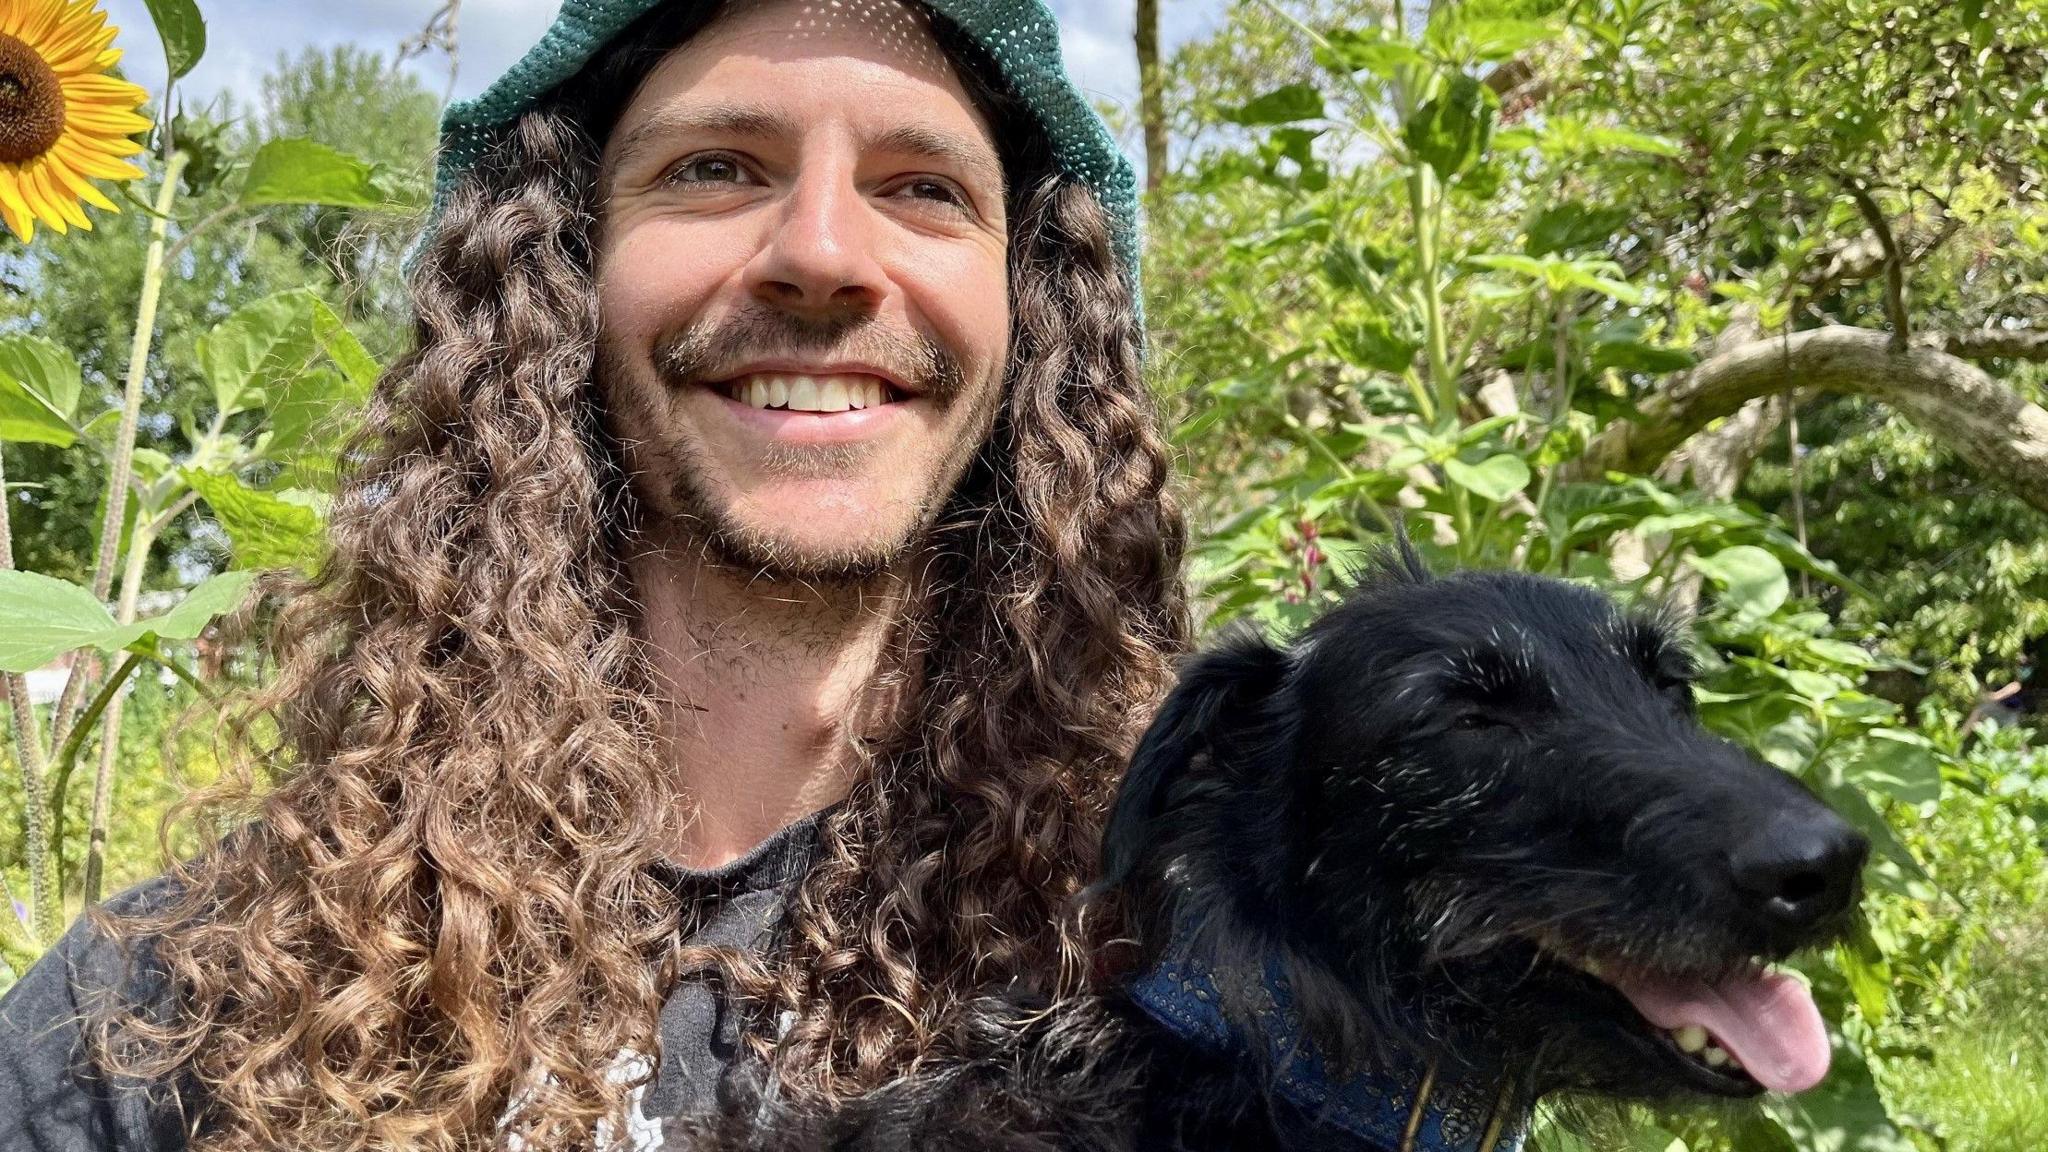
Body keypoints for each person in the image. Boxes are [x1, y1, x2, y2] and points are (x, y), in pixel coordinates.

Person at [0, 1, 1187, 1148]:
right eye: (715, 167)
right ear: (561, 265)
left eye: (923, 187)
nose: (822, 253)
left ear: (1035, 306)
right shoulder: (169, 1016)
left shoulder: (1207, 963)